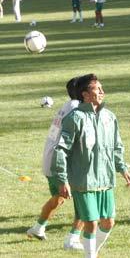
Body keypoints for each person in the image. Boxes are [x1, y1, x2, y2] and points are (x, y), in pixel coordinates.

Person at [52, 73, 130, 258]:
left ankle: (91, 252)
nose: (102, 91)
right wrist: (62, 179)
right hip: (83, 181)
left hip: (105, 179)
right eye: (97, 89)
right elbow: (61, 150)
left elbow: (117, 145)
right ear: (85, 95)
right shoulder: (74, 118)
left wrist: (122, 168)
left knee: (108, 223)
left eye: (101, 88)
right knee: (91, 222)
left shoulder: (110, 117)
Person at [27, 77, 84, 250]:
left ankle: (38, 228)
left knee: (59, 198)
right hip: (61, 162)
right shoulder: (77, 109)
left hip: (49, 159)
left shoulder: (66, 106)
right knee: (86, 199)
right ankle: (73, 239)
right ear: (83, 92)